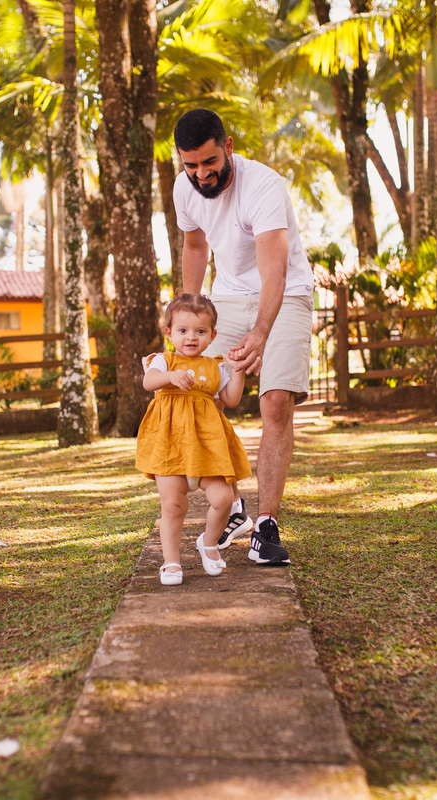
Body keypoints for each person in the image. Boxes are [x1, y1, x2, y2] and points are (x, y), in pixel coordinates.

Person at [172, 108, 313, 566]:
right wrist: (186, 315)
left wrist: (261, 332)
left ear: (227, 147)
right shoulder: (184, 188)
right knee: (196, 389)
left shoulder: (263, 185)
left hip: (285, 292)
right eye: (190, 164)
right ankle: (232, 505)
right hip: (227, 296)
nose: (200, 173)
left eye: (208, 162)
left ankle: (266, 525)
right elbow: (195, 248)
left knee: (275, 401)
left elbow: (274, 266)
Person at [136, 293, 252, 586]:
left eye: (200, 331)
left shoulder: (215, 366)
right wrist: (170, 377)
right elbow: (148, 382)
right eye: (183, 330)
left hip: (206, 449)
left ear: (212, 335)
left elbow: (231, 399)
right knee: (173, 506)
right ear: (169, 332)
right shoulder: (163, 361)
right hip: (171, 448)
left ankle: (209, 543)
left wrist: (237, 372)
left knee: (224, 498)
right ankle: (171, 562)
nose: (191, 337)